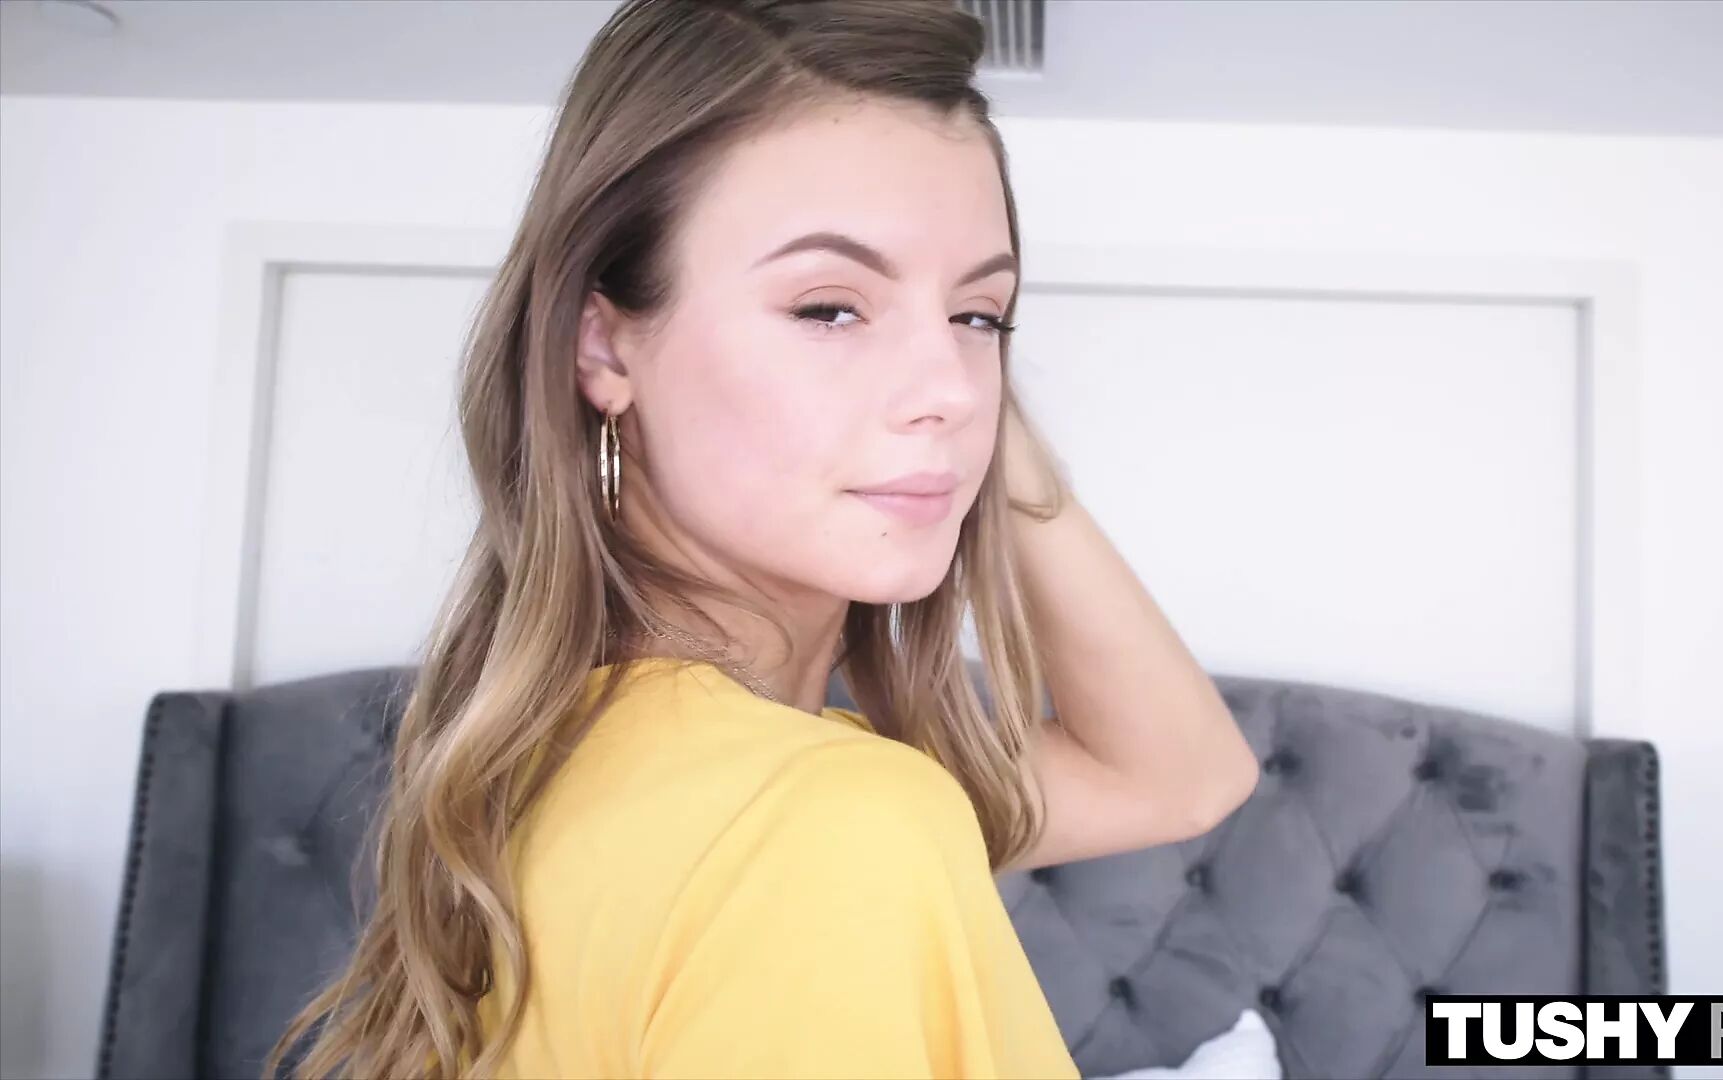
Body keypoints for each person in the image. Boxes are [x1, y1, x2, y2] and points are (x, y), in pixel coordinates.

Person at [264, 1, 1258, 1076]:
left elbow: (1182, 779)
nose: (955, 389)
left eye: (981, 316)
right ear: (604, 346)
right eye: (828, 308)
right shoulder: (824, 821)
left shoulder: (565, 764)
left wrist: (935, 391)